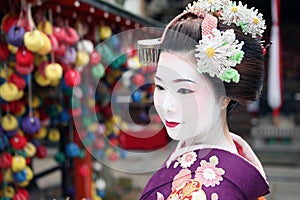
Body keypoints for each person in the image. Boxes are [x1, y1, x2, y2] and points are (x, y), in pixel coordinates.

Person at [139, 0, 270, 199]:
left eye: (183, 90)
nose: (166, 106)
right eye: (161, 86)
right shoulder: (236, 157)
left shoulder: (209, 192)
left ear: (224, 95)